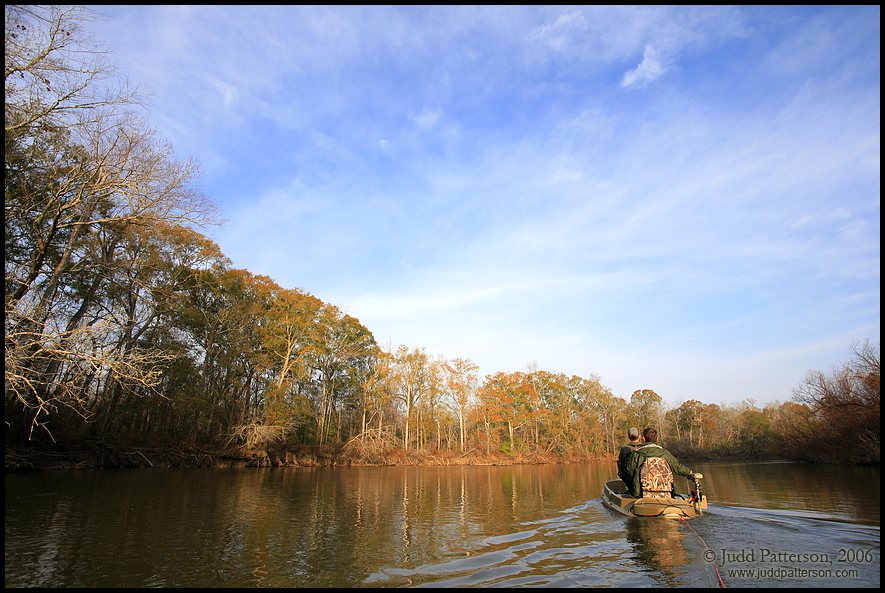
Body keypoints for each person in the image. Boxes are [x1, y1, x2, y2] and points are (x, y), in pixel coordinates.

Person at [626, 427, 703, 499]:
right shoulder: (665, 453)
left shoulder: (637, 454)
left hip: (642, 494)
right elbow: (678, 468)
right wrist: (690, 473)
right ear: (657, 439)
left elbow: (629, 471)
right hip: (667, 492)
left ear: (643, 439)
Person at [617, 426, 643, 496]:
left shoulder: (624, 450)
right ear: (639, 436)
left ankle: (631, 490)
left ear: (629, 436)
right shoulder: (645, 448)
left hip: (630, 482)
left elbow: (620, 469)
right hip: (645, 482)